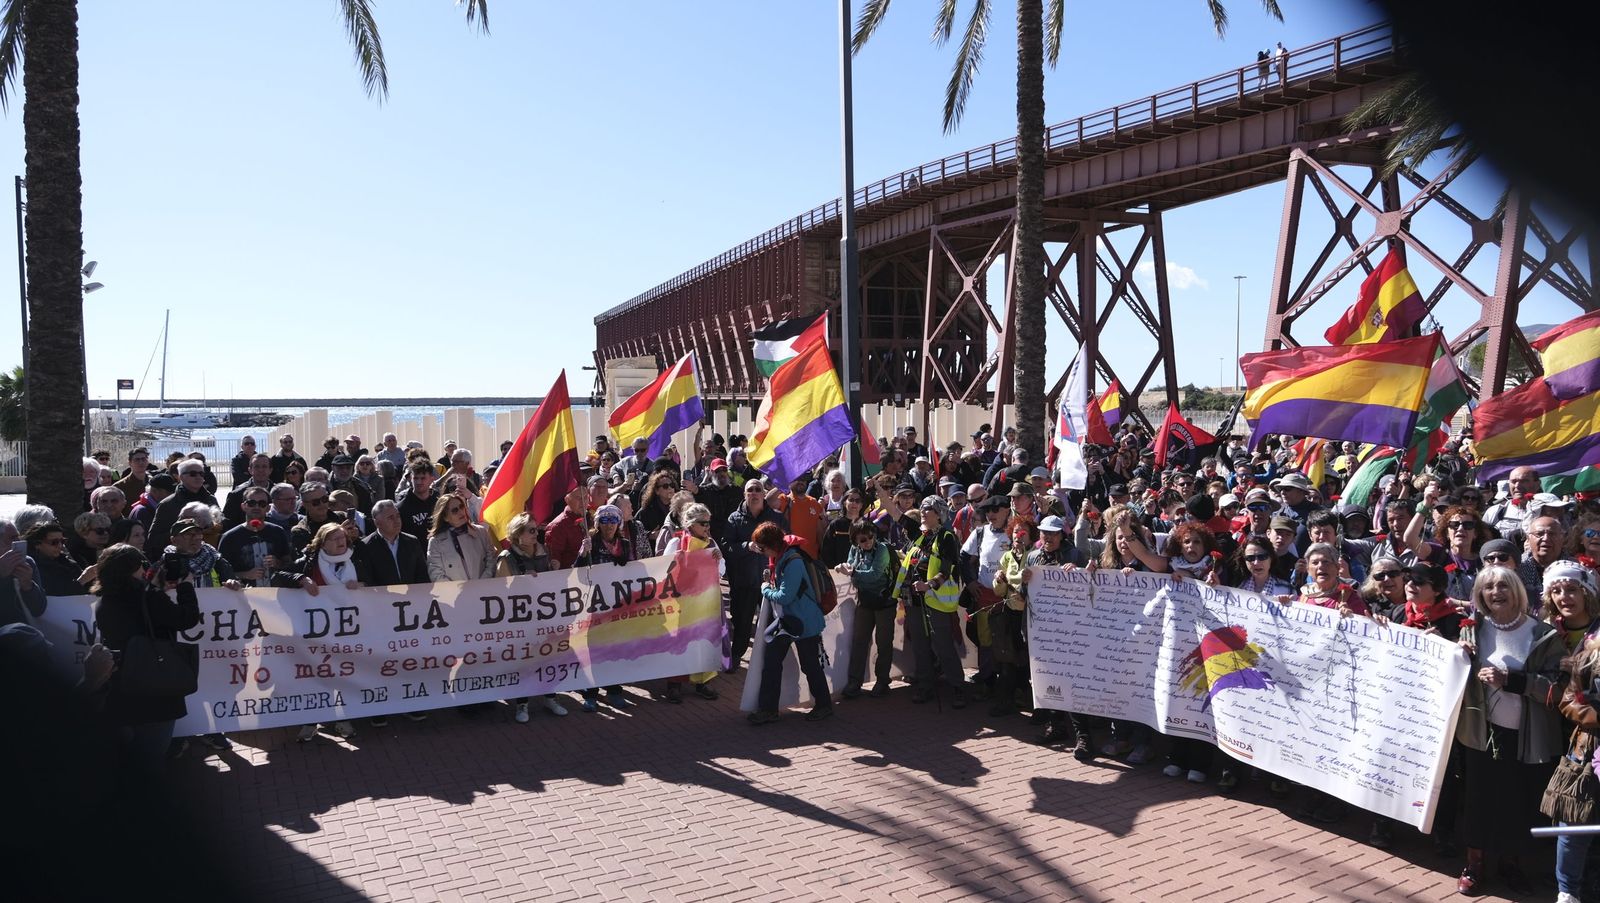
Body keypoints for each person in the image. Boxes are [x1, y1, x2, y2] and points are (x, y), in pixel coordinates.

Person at [1455, 565, 1565, 896]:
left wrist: (1512, 681)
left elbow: (1557, 689)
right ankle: (1474, 863)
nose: (1496, 592)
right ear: (1480, 595)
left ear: (1516, 590)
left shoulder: (1543, 634)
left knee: (1518, 802)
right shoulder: (1471, 629)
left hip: (1526, 736)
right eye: (1488, 587)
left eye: (1503, 585)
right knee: (1478, 799)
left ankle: (1511, 863)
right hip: (1480, 731)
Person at [92, 543, 201, 768]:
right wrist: (186, 587)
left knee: (126, 758)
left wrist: (155, 589)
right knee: (150, 757)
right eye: (141, 565)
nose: (145, 570)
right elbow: (186, 619)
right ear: (132, 569)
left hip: (122, 685)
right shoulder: (147, 598)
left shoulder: (104, 601)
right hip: (155, 689)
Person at [270, 523, 362, 742]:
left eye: (343, 538)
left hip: (348, 632)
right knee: (315, 676)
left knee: (342, 674)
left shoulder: (356, 561)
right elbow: (276, 577)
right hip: (315, 634)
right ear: (322, 543)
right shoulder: (307, 564)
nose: (341, 542)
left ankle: (342, 718)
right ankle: (311, 721)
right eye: (334, 539)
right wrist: (300, 579)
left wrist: (363, 585)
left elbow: (378, 584)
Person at [746, 521, 833, 725]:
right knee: (772, 662)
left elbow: (785, 596)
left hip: (803, 621)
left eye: (762, 547)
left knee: (810, 665)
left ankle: (824, 705)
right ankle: (768, 710)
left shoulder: (793, 561)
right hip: (790, 620)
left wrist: (765, 589)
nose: (761, 551)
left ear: (771, 545)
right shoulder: (783, 557)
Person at [495, 513, 572, 723]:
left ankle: (550, 697)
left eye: (536, 529)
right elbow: (499, 592)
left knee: (549, 656)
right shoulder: (507, 558)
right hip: (520, 620)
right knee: (524, 661)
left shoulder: (543, 552)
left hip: (544, 617)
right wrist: (520, 582)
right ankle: (522, 704)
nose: (535, 534)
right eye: (530, 530)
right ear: (517, 535)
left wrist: (553, 570)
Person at [894, 495, 966, 708]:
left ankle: (958, 688)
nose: (923, 512)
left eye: (929, 509)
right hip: (913, 599)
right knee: (920, 645)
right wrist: (879, 491)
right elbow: (896, 514)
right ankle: (925, 686)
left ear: (940, 515)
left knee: (943, 645)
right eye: (923, 508)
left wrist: (929, 585)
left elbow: (947, 570)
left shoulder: (946, 537)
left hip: (935, 602)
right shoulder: (919, 534)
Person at [657, 503, 723, 704]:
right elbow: (663, 569)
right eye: (703, 523)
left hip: (703, 604)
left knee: (702, 641)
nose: (707, 527)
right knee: (678, 642)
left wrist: (718, 560)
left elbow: (721, 572)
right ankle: (674, 684)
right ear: (691, 524)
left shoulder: (711, 544)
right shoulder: (676, 542)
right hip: (679, 604)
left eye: (708, 523)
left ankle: (702, 682)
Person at [575, 505, 637, 712]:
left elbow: (634, 571)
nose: (609, 525)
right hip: (595, 606)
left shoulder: (625, 544)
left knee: (615, 649)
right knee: (594, 650)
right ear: (597, 523)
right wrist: (583, 555)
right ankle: (591, 693)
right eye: (604, 520)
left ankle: (614, 690)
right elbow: (577, 574)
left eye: (613, 520)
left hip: (618, 606)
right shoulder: (590, 543)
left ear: (619, 523)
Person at [725, 479, 788, 668]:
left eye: (757, 490)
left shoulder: (776, 518)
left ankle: (774, 661)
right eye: (750, 490)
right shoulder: (734, 519)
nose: (754, 493)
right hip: (743, 581)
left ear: (763, 494)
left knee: (774, 622)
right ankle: (736, 656)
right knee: (742, 623)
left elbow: (787, 544)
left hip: (771, 581)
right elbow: (726, 547)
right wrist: (746, 546)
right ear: (745, 495)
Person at [838, 519, 897, 700]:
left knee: (883, 643)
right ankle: (855, 682)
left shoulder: (882, 550)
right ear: (855, 540)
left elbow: (874, 574)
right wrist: (847, 568)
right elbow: (851, 566)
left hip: (884, 603)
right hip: (864, 602)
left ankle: (882, 681)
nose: (868, 541)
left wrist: (853, 573)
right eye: (863, 539)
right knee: (859, 642)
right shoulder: (855, 550)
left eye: (871, 537)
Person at [217, 487, 291, 588]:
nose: (256, 507)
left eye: (262, 504)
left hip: (276, 593)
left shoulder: (278, 532)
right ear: (243, 506)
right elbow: (220, 572)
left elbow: (290, 564)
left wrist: (278, 563)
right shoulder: (229, 537)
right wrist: (246, 574)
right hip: (243, 596)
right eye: (251, 503)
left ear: (268, 508)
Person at [145, 459, 218, 558]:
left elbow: (222, 527)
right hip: (181, 559)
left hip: (210, 558)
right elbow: (154, 540)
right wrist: (182, 529)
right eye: (193, 474)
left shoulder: (211, 500)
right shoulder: (168, 504)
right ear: (181, 477)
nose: (198, 477)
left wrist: (214, 526)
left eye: (201, 473)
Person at [425, 493, 496, 582]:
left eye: (462, 506)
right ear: (445, 517)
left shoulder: (481, 532)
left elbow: (491, 561)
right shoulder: (436, 542)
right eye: (455, 510)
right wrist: (458, 592)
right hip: (454, 594)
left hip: (484, 590)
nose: (461, 512)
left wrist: (480, 584)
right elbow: (436, 573)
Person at [358, 500, 429, 586]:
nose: (397, 521)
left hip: (412, 596)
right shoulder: (366, 546)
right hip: (383, 597)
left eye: (398, 516)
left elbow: (422, 574)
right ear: (377, 523)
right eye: (390, 518)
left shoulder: (412, 542)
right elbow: (368, 579)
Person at [25, 522, 90, 596]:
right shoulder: (31, 567)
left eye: (62, 541)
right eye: (54, 542)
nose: (60, 546)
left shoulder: (68, 563)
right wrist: (82, 581)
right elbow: (54, 592)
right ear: (37, 544)